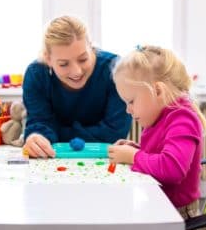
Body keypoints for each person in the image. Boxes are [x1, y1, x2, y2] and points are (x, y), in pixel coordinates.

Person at [108, 45, 206, 230]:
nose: (128, 110)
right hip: (159, 208)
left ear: (157, 90)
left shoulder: (182, 119)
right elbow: (160, 153)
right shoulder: (161, 116)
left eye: (131, 101)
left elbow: (172, 168)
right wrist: (135, 149)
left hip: (180, 219)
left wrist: (134, 156)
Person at [23, 15, 132, 158]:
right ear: (48, 59)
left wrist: (56, 132)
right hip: (55, 159)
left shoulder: (116, 70)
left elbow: (114, 133)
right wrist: (36, 138)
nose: (77, 72)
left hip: (104, 158)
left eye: (83, 59)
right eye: (63, 64)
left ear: (91, 48)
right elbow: (39, 123)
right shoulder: (36, 75)